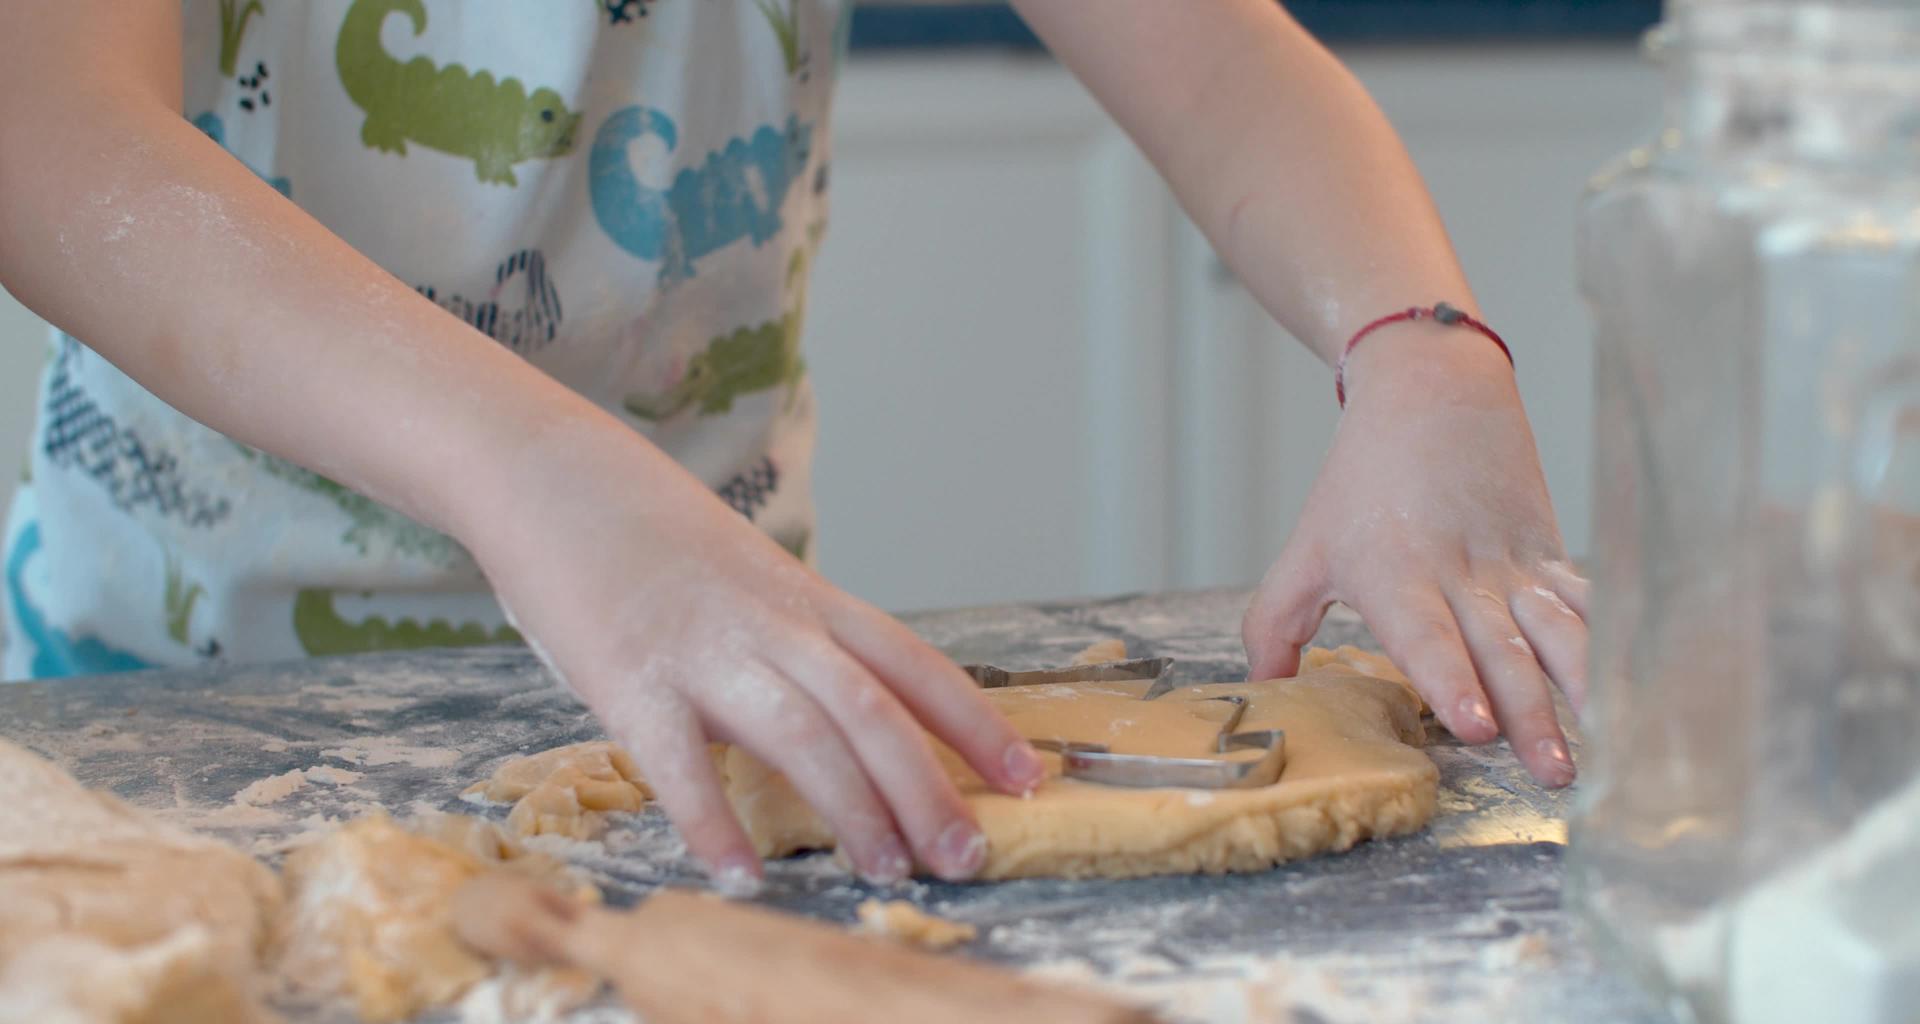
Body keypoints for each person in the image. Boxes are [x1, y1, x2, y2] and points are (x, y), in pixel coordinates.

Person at [0, 0, 1586, 890]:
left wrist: (1414, 350)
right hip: (189, 714)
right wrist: (533, 470)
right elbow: (45, 122)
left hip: (727, 723)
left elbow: (1227, 68)